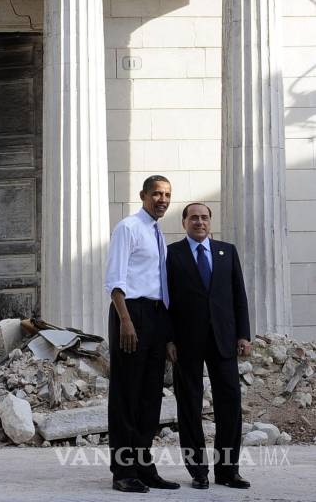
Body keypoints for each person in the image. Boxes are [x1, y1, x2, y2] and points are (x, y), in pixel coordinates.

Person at [165, 202, 252, 490]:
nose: (199, 222)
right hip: (186, 343)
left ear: (210, 221)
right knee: (189, 406)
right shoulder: (171, 254)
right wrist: (169, 339)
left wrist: (244, 335)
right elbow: (164, 300)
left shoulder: (227, 251)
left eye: (204, 217)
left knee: (230, 405)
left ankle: (228, 471)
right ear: (184, 223)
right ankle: (198, 472)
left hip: (224, 339)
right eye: (194, 218)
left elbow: (239, 295)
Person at [105, 175, 179, 493]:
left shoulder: (157, 232)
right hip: (130, 312)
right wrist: (125, 320)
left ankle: (143, 465)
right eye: (156, 194)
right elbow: (115, 279)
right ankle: (123, 471)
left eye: (167, 194)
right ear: (143, 195)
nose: (162, 199)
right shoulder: (129, 228)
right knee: (127, 394)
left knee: (150, 395)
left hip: (155, 316)